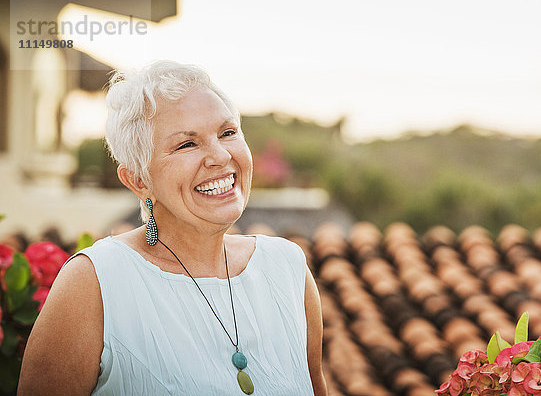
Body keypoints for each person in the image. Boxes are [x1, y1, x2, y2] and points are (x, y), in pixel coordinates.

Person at [18, 61, 327, 396]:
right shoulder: (95, 282)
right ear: (138, 180)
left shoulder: (287, 268)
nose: (220, 156)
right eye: (187, 144)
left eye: (228, 133)